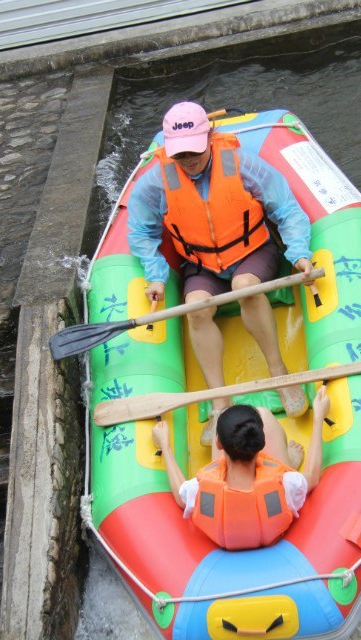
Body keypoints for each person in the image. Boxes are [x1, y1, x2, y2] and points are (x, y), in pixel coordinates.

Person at [128, 101, 314, 445]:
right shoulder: (155, 182)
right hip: (201, 264)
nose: (189, 160)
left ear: (210, 136)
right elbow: (141, 232)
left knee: (245, 286)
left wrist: (300, 253)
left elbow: (287, 209)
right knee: (197, 306)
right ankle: (219, 400)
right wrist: (156, 274)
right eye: (181, 154)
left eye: (195, 151)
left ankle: (279, 372)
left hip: (252, 252)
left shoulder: (242, 165)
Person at [151, 386, 329, 550]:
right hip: (273, 535)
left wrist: (165, 446)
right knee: (264, 415)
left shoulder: (199, 489)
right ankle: (288, 462)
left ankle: (225, 423)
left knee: (224, 415)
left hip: (226, 542)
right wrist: (318, 417)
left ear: (219, 444)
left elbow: (181, 496)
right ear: (262, 442)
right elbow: (312, 476)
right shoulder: (287, 483)